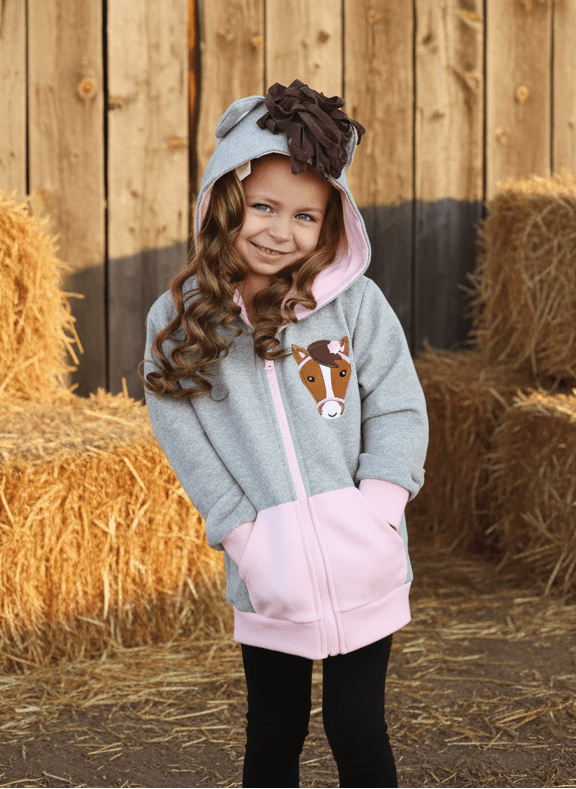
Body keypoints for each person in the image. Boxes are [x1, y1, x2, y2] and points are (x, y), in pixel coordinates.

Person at [139, 79, 429, 789]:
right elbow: (183, 434)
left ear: (333, 222)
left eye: (305, 215)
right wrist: (244, 533)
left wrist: (378, 511)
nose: (279, 229)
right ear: (227, 200)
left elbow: (397, 404)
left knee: (357, 729)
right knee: (274, 732)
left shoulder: (354, 304)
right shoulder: (180, 318)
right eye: (263, 206)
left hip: (364, 559)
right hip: (268, 574)